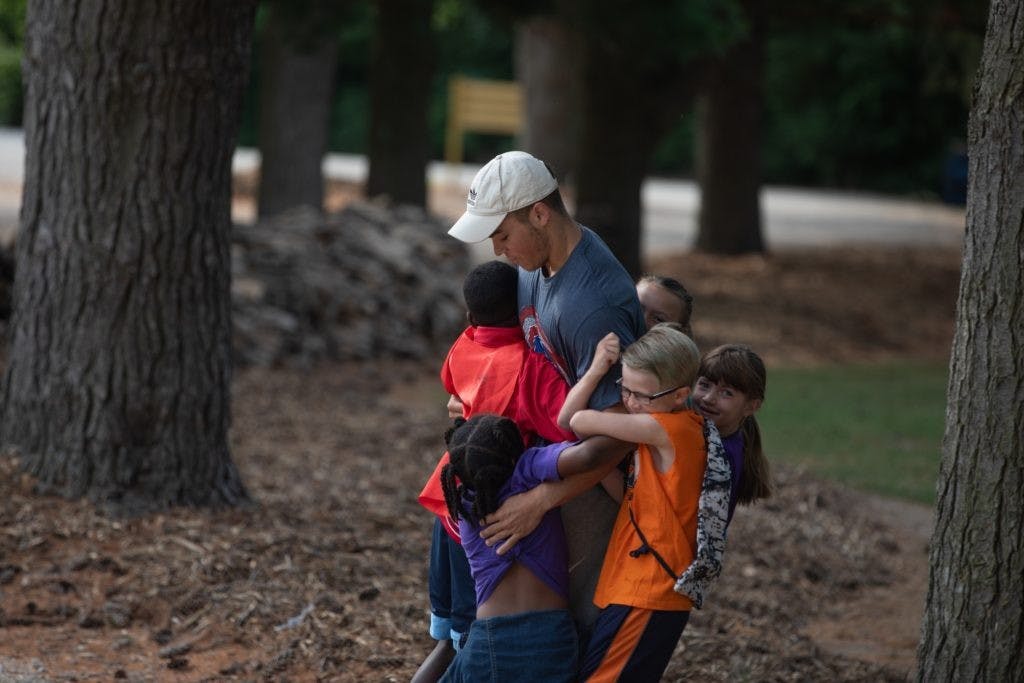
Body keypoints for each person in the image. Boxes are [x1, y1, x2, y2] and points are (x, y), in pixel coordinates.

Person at [447, 150, 646, 630]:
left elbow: (621, 433)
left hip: (592, 486)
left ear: (540, 213)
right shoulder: (537, 263)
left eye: (502, 235)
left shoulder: (593, 305)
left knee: (574, 628)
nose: (498, 251)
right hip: (551, 461)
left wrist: (539, 503)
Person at [413, 260, 576, 682]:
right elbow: (571, 427)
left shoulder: (462, 345)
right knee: (472, 644)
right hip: (493, 514)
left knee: (449, 642)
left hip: (450, 506)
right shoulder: (531, 366)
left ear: (470, 316)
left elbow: (454, 387)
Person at [560, 323, 729, 682]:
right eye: (625, 389)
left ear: (679, 394)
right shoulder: (667, 428)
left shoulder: (668, 429)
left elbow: (574, 420)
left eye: (642, 395)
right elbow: (633, 498)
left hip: (649, 591)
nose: (631, 402)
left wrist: (595, 372)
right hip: (636, 588)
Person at [437, 414, 634, 683]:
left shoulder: (465, 510)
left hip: (489, 638)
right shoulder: (529, 470)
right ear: (516, 451)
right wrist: (635, 433)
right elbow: (589, 456)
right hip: (551, 637)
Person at [691, 344, 772, 522]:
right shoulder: (719, 438)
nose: (708, 398)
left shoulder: (720, 456)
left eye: (726, 393)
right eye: (704, 385)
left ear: (751, 406)